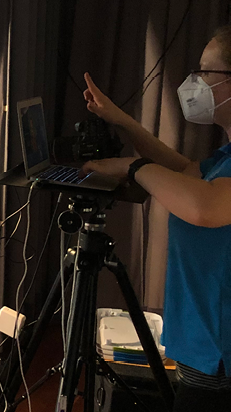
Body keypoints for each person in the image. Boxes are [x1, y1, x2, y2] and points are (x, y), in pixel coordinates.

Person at [82, 25, 231, 411]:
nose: (195, 82)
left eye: (206, 72)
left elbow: (205, 206)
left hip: (220, 361)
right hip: (204, 349)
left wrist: (133, 167)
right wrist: (123, 121)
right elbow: (184, 172)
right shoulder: (224, 158)